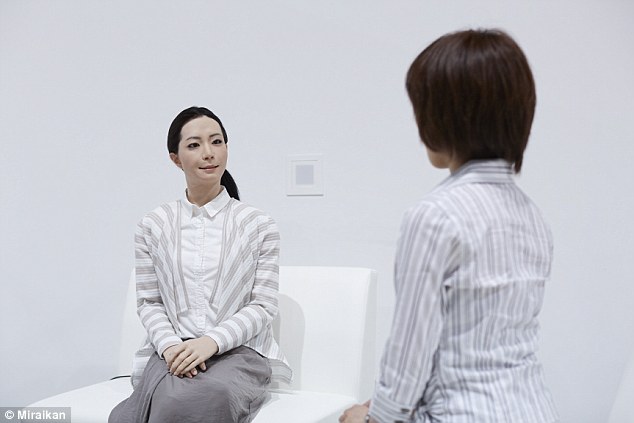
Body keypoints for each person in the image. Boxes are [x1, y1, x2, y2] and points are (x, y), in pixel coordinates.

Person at [340, 29, 559, 422]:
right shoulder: (533, 216)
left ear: (444, 118)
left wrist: (377, 416)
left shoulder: (435, 215)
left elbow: (411, 350)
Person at [109, 106, 291, 423]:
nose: (209, 153)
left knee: (204, 396)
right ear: (175, 158)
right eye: (194, 145)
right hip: (173, 352)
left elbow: (263, 306)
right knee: (163, 399)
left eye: (217, 141)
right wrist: (169, 347)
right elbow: (149, 301)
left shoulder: (258, 224)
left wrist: (210, 343)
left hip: (240, 354)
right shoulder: (153, 224)